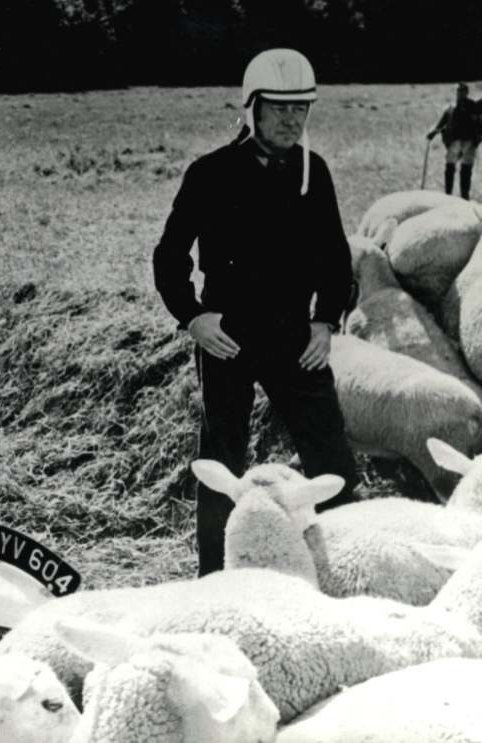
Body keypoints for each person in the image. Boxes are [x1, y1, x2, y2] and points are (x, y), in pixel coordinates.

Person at [152, 48, 359, 577]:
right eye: (280, 108)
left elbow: (337, 259)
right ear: (252, 109)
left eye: (302, 110)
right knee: (222, 461)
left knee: (331, 454)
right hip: (229, 336)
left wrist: (325, 320)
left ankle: (345, 568)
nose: (292, 120)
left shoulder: (315, 174)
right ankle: (214, 578)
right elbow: (169, 256)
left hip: (295, 335)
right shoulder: (210, 173)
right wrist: (193, 317)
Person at [426, 83, 481, 199]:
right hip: (453, 142)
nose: (461, 93)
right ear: (456, 92)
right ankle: (448, 195)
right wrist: (433, 132)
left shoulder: (474, 106)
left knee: (466, 170)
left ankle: (464, 197)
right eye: (459, 91)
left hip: (469, 142)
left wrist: (478, 138)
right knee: (450, 167)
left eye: (463, 91)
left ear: (467, 92)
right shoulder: (450, 109)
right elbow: (441, 124)